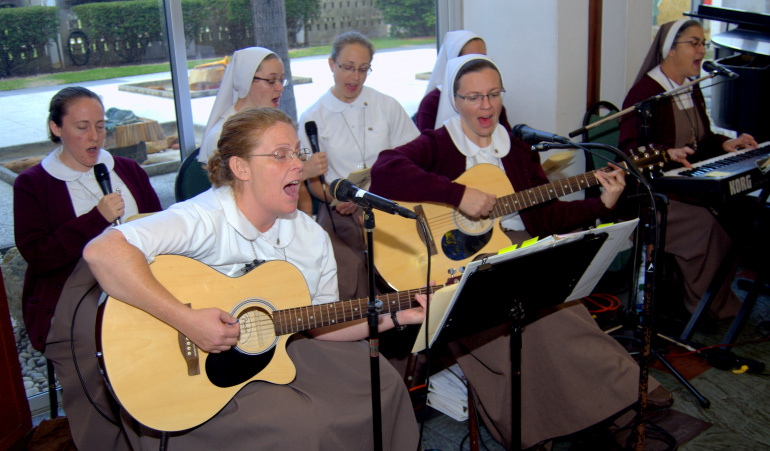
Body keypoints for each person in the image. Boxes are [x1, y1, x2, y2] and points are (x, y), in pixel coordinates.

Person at [79, 107, 425, 450]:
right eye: (280, 155)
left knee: (384, 385)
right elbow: (103, 252)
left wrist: (399, 316)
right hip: (200, 374)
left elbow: (319, 320)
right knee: (303, 429)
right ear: (240, 167)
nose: (297, 165)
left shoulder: (310, 235)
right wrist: (187, 320)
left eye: (297, 153)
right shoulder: (202, 218)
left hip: (275, 353)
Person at [370, 54, 665, 450]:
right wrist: (458, 195)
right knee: (510, 336)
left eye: (493, 95)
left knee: (567, 316)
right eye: (474, 97)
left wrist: (602, 205)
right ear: (456, 101)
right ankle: (541, 430)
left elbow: (544, 218)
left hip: (518, 255)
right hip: (457, 271)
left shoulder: (519, 150)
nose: (486, 106)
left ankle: (618, 404)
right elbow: (385, 170)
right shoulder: (439, 144)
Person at [12, 86, 162, 449]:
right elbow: (41, 255)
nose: (94, 137)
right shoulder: (33, 185)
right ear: (56, 129)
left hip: (140, 281)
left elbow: (162, 225)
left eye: (100, 126)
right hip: (70, 296)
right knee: (95, 362)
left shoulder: (126, 170)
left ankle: (163, 428)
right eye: (82, 127)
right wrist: (96, 219)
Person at [618, 19, 758, 320]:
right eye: (694, 42)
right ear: (670, 50)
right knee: (705, 225)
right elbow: (629, 151)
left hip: (683, 187)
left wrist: (726, 144)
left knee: (737, 212)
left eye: (703, 43)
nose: (701, 50)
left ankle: (709, 298)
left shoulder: (690, 88)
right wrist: (665, 153)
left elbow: (701, 139)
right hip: (649, 194)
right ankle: (702, 307)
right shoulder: (646, 93)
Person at [298, 31, 420, 300]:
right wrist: (336, 197)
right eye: (348, 68)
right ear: (332, 65)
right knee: (350, 276)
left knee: (407, 265)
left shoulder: (386, 105)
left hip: (389, 202)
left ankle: (406, 317)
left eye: (363, 69)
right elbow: (312, 183)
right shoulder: (313, 118)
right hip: (340, 212)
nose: (355, 77)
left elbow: (412, 155)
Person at [197, 46, 326, 215]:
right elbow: (238, 198)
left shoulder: (274, 125)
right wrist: (304, 172)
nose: (279, 88)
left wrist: (306, 224)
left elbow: (299, 194)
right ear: (245, 81)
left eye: (281, 80)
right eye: (272, 81)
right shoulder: (220, 135)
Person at [414, 29, 511, 132]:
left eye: (483, 58)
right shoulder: (431, 104)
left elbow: (509, 141)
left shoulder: (491, 101)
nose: (479, 65)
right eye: (470, 60)